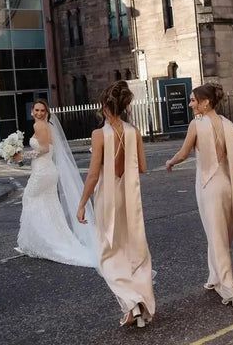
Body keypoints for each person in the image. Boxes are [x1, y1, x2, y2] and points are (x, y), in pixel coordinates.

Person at [165, 83, 233, 308]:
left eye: (193, 100)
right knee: (219, 231)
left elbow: (184, 153)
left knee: (216, 236)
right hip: (225, 183)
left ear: (205, 102)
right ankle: (214, 276)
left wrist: (170, 161)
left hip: (207, 185)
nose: (190, 103)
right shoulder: (228, 124)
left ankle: (229, 288)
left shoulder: (197, 124)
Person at [77, 81, 155, 328]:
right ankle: (140, 303)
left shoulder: (99, 135)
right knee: (134, 250)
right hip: (129, 196)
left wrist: (81, 205)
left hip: (107, 198)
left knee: (108, 254)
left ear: (104, 107)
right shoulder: (134, 131)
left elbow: (92, 175)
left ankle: (131, 303)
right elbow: (142, 167)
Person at [15, 100, 98, 267]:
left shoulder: (40, 126)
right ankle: (55, 239)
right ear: (32, 111)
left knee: (29, 199)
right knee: (49, 205)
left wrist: (22, 156)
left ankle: (44, 242)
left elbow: (45, 149)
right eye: (36, 110)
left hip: (43, 172)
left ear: (46, 112)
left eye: (42, 111)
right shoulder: (46, 126)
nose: (39, 113)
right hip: (49, 171)